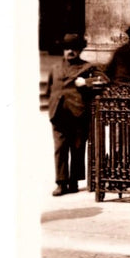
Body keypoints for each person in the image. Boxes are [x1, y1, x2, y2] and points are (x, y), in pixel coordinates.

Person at [47, 34, 106, 195]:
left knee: (77, 148)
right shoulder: (55, 68)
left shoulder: (87, 67)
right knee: (60, 148)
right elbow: (49, 90)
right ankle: (61, 182)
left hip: (78, 114)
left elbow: (105, 80)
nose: (70, 52)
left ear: (80, 50)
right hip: (58, 114)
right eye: (67, 48)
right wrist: (52, 107)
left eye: (74, 48)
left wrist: (86, 82)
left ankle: (73, 180)